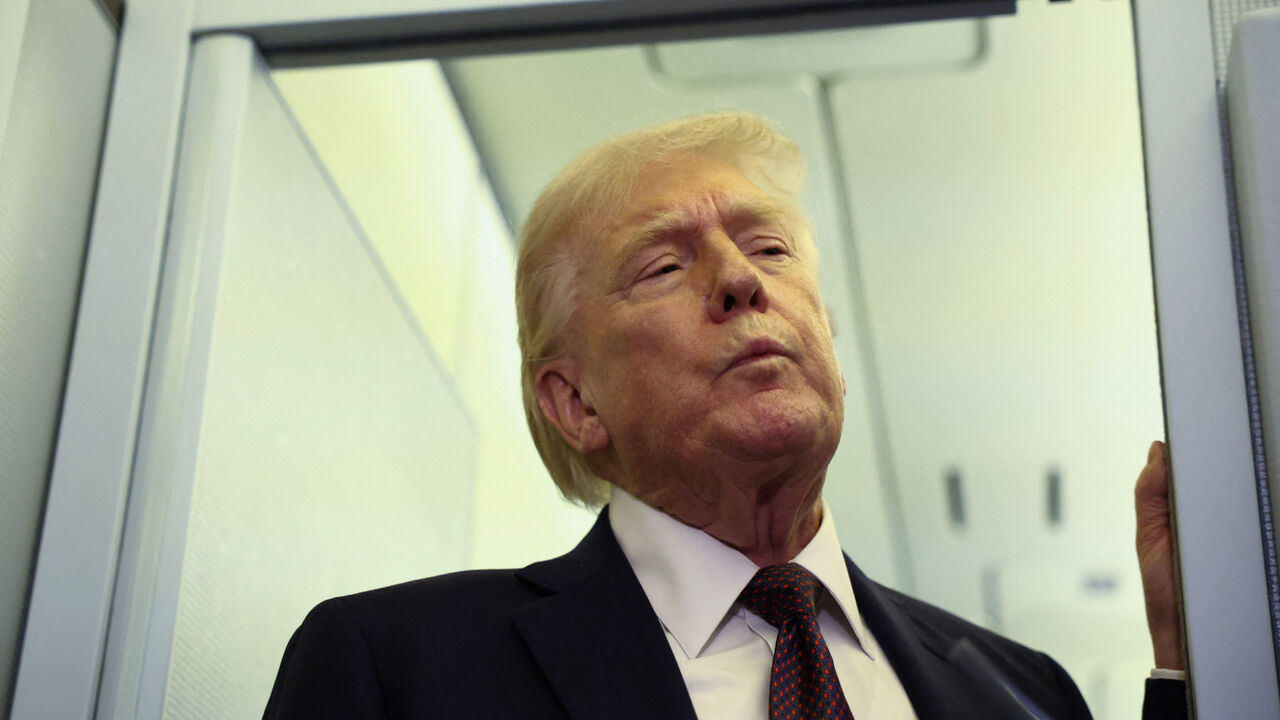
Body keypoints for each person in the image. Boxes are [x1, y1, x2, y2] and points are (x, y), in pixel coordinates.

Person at [263, 113, 1187, 719]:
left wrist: (1195, 661)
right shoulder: (398, 669)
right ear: (575, 402)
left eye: (769, 247)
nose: (744, 281)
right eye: (663, 267)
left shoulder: (1021, 691)